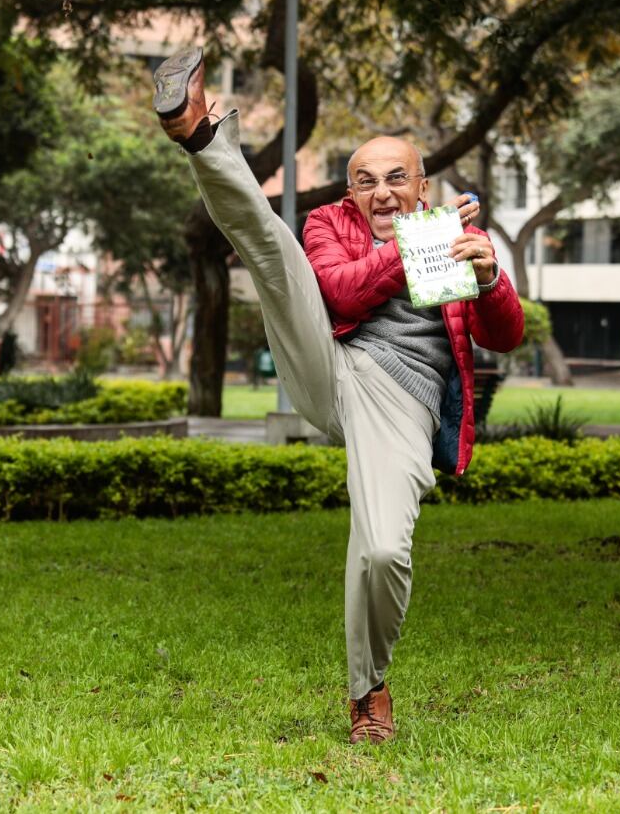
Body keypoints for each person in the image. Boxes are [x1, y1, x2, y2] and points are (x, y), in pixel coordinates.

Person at [153, 47, 524, 744]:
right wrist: (424, 241)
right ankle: (198, 133)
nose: (380, 192)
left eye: (396, 179)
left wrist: (489, 272)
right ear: (351, 192)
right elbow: (340, 291)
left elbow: (505, 336)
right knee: (272, 244)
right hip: (330, 361)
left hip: (403, 402)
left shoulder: (461, 239)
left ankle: (369, 688)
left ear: (423, 182)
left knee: (383, 551)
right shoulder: (333, 224)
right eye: (364, 181)